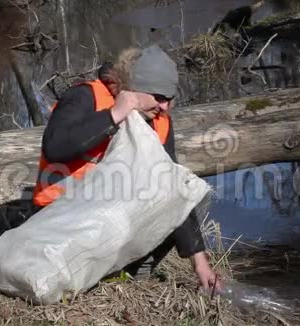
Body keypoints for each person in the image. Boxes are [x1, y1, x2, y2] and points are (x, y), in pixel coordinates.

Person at [31, 45, 223, 291]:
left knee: (180, 201)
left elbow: (173, 190)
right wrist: (115, 114)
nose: (164, 107)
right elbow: (55, 148)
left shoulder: (159, 121)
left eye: (169, 99)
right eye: (159, 97)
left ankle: (130, 273)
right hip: (57, 218)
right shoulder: (85, 97)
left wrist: (200, 263)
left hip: (104, 219)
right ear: (134, 88)